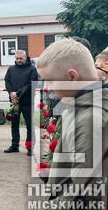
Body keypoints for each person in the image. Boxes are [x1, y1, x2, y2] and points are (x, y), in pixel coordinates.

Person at [37, 39, 107, 206]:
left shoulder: (91, 117)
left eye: (51, 80)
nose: (48, 87)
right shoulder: (77, 106)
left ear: (72, 76)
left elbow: (81, 192)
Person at [4, 50, 39, 156]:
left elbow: (31, 84)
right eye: (17, 58)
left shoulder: (32, 69)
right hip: (14, 101)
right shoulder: (11, 69)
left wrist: (17, 93)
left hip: (27, 101)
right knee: (14, 124)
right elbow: (7, 81)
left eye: (21, 58)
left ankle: (29, 147)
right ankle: (14, 145)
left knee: (29, 125)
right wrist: (11, 93)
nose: (18, 60)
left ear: (26, 57)